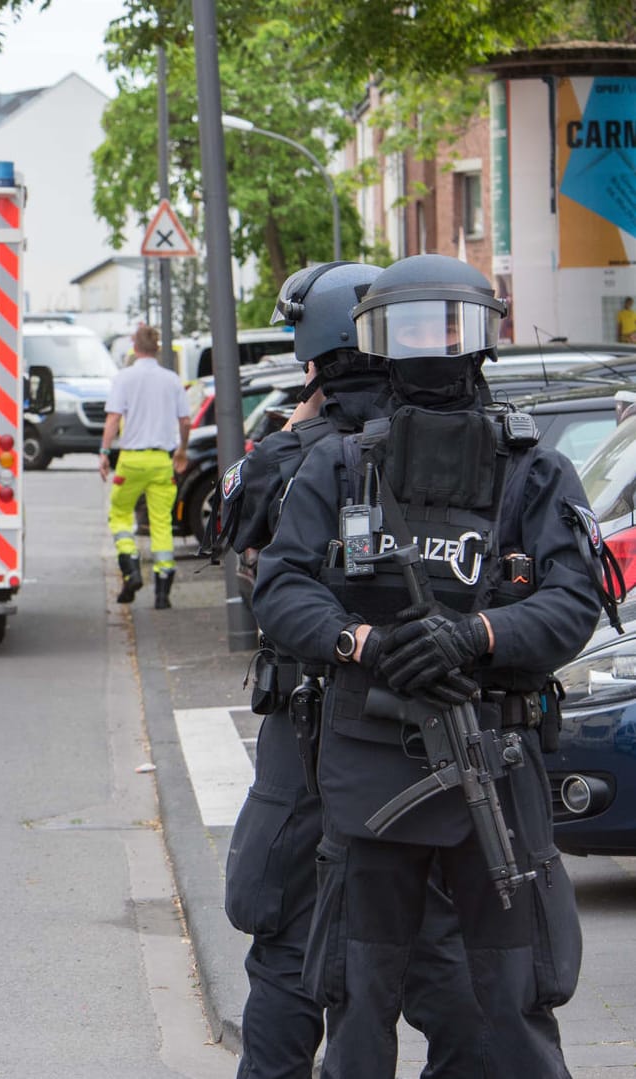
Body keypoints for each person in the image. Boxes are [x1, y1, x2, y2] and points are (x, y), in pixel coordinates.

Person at [253, 254, 618, 1077]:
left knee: (514, 1002)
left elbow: (572, 601)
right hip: (370, 776)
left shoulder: (533, 469)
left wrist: (478, 636)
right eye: (411, 327)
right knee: (355, 1002)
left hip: (495, 765)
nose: (432, 346)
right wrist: (364, 644)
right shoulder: (341, 465)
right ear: (379, 341)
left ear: (485, 336)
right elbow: (282, 588)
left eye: (450, 325)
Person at [216, 261, 482, 1078]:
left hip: (313, 734)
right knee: (435, 942)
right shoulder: (445, 438)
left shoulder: (307, 452)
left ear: (319, 348)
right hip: (427, 736)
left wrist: (294, 428)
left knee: (292, 933)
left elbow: (233, 522)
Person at [97, 323, 190, 608]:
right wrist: (182, 451)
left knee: (121, 514)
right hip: (162, 461)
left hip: (132, 461)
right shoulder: (172, 379)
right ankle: (162, 592)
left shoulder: (124, 378)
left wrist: (103, 452)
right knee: (161, 522)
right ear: (157, 348)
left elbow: (113, 419)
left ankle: (131, 567)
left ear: (134, 348)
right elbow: (185, 421)